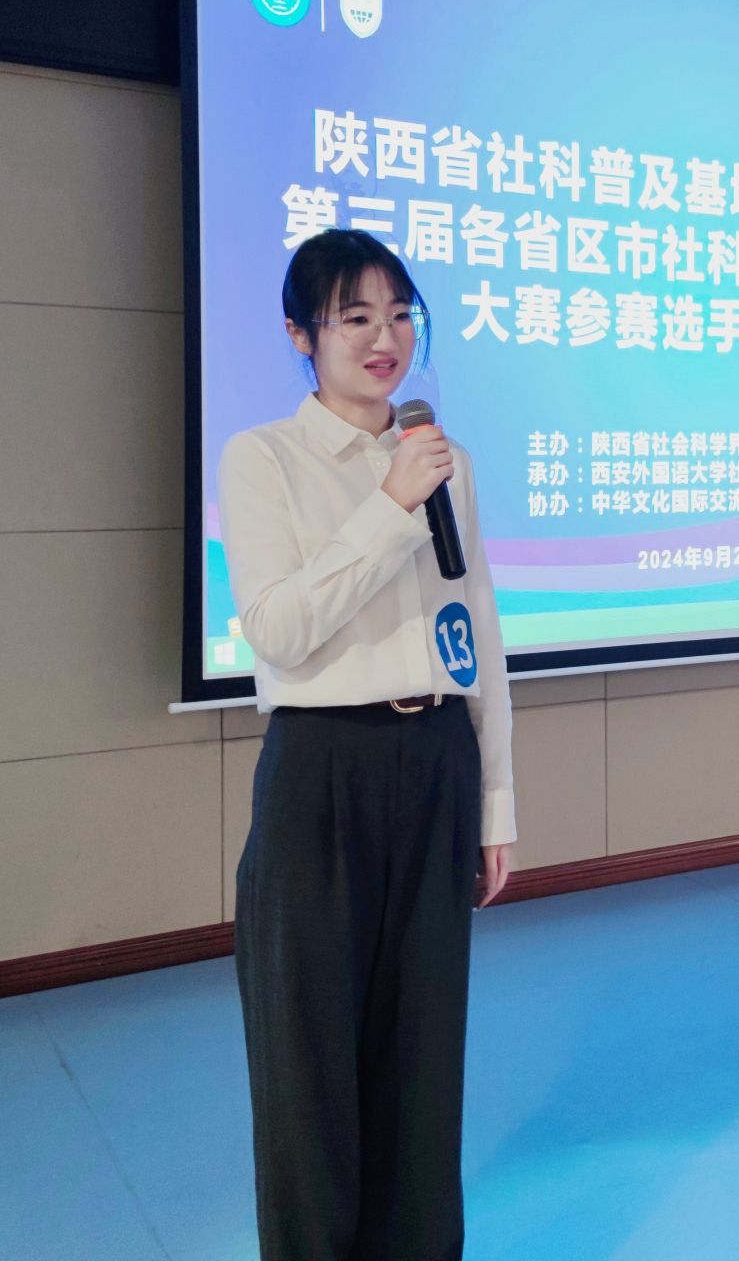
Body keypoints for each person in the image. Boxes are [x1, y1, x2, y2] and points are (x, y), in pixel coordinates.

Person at [218, 228, 516, 1260]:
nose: (384, 338)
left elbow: (478, 634)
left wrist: (495, 807)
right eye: (354, 317)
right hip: (323, 768)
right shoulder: (263, 458)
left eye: (398, 314)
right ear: (300, 335)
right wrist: (390, 506)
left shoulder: (445, 461)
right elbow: (280, 630)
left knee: (423, 1055)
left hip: (437, 761)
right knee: (307, 1063)